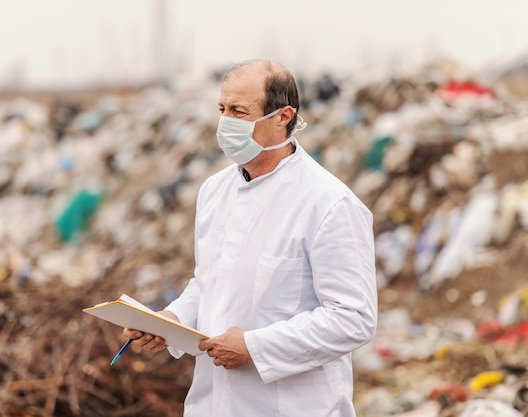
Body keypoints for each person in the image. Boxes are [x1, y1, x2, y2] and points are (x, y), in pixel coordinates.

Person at [124, 59, 377, 417]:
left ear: (283, 116)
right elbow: (208, 283)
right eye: (222, 109)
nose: (226, 122)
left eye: (239, 112)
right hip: (213, 404)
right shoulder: (214, 191)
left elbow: (353, 318)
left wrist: (256, 347)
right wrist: (172, 321)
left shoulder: (328, 204)